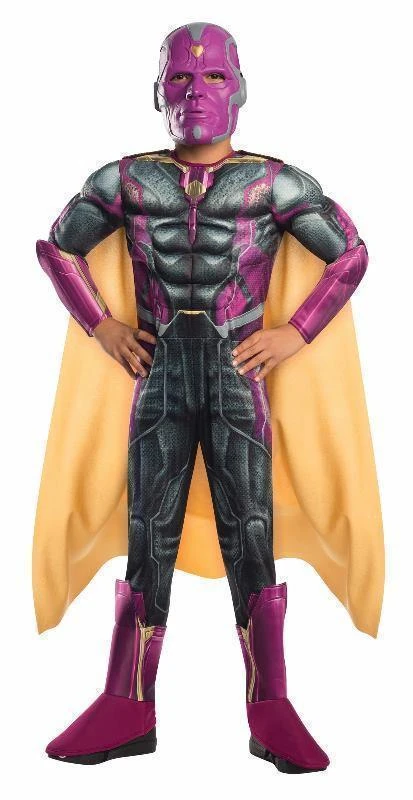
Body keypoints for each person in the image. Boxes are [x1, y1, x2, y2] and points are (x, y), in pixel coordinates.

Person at [35, 21, 383, 771]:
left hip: (236, 376)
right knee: (146, 535)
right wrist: (102, 326)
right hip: (159, 375)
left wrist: (295, 332)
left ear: (241, 88)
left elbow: (351, 255)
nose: (196, 91)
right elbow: (57, 247)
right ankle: (125, 705)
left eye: (215, 76)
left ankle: (270, 708)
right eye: (181, 78)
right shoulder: (125, 180)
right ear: (158, 92)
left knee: (251, 534)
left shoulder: (274, 182)